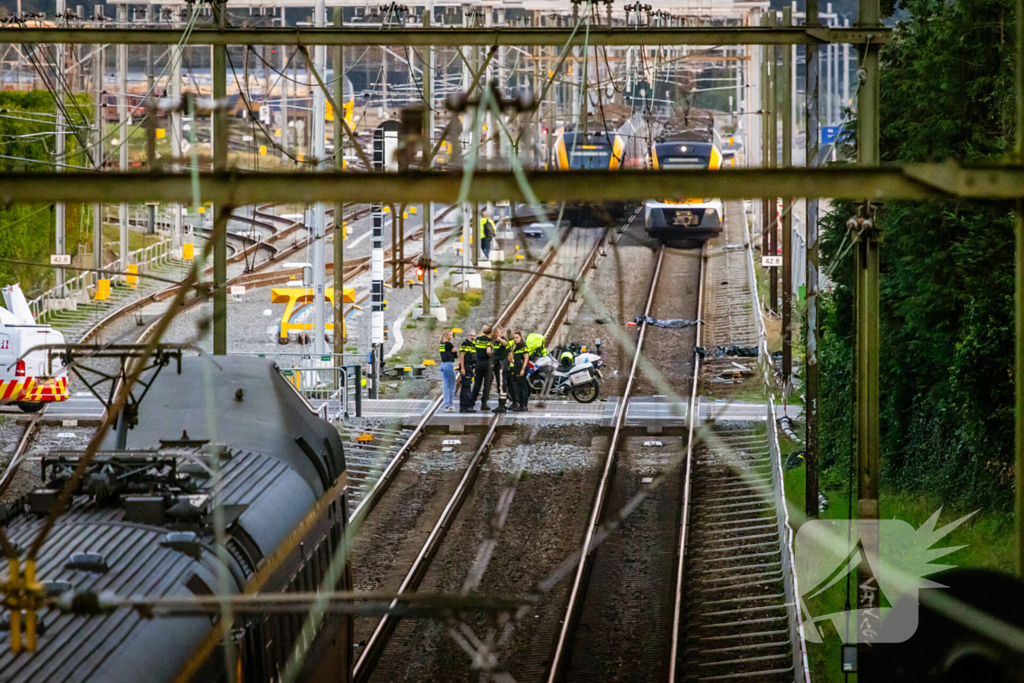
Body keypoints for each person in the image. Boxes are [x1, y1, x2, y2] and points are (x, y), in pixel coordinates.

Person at [471, 324, 494, 409]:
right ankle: (484, 403)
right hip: (487, 364)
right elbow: (488, 351)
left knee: (477, 384)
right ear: (490, 332)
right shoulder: (489, 341)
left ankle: (472, 402)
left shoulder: (477, 340)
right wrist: (493, 355)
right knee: (487, 384)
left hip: (478, 363)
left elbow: (473, 349)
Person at [490, 325, 510, 413]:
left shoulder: (504, 340)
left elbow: (504, 343)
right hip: (497, 365)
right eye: (495, 332)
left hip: (502, 365)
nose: (495, 334)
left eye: (497, 332)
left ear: (502, 333)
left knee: (502, 385)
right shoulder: (496, 343)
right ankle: (503, 404)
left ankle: (502, 405)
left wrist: (500, 339)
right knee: (500, 385)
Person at [510, 331, 530, 412]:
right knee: (518, 387)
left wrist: (523, 369)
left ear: (520, 338)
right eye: (514, 338)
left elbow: (526, 358)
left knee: (522, 387)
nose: (515, 339)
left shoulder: (523, 346)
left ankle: (523, 405)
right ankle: (520, 404)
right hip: (516, 368)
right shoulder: (514, 346)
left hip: (522, 368)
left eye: (517, 337)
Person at [459, 330, 477, 413]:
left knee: (467, 386)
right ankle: (465, 406)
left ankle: (465, 406)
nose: (472, 337)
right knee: (466, 387)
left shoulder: (473, 345)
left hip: (470, 368)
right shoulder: (465, 344)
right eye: (471, 335)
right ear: (467, 336)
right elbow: (462, 356)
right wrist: (462, 368)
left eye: (473, 335)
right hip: (466, 367)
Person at [439, 330, 457, 412]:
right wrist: (455, 351)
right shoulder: (449, 344)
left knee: (446, 385)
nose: (451, 336)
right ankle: (451, 404)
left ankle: (446, 405)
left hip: (442, 364)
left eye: (452, 334)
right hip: (449, 364)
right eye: (450, 335)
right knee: (452, 385)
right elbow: (455, 353)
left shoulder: (441, 344)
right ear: (446, 335)